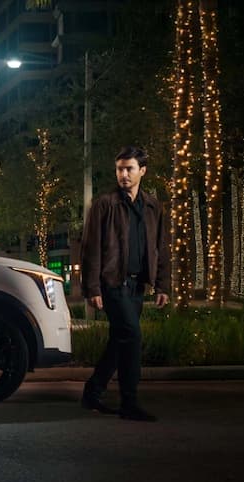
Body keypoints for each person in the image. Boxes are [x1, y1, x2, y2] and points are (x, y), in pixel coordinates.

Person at [79, 146, 170, 422]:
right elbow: (90, 249)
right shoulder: (105, 204)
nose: (124, 174)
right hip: (113, 282)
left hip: (137, 286)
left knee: (119, 341)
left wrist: (163, 284)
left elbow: (161, 247)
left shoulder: (154, 206)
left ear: (142, 171)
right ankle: (129, 402)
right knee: (132, 336)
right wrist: (92, 288)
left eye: (129, 168)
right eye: (120, 168)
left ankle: (92, 393)